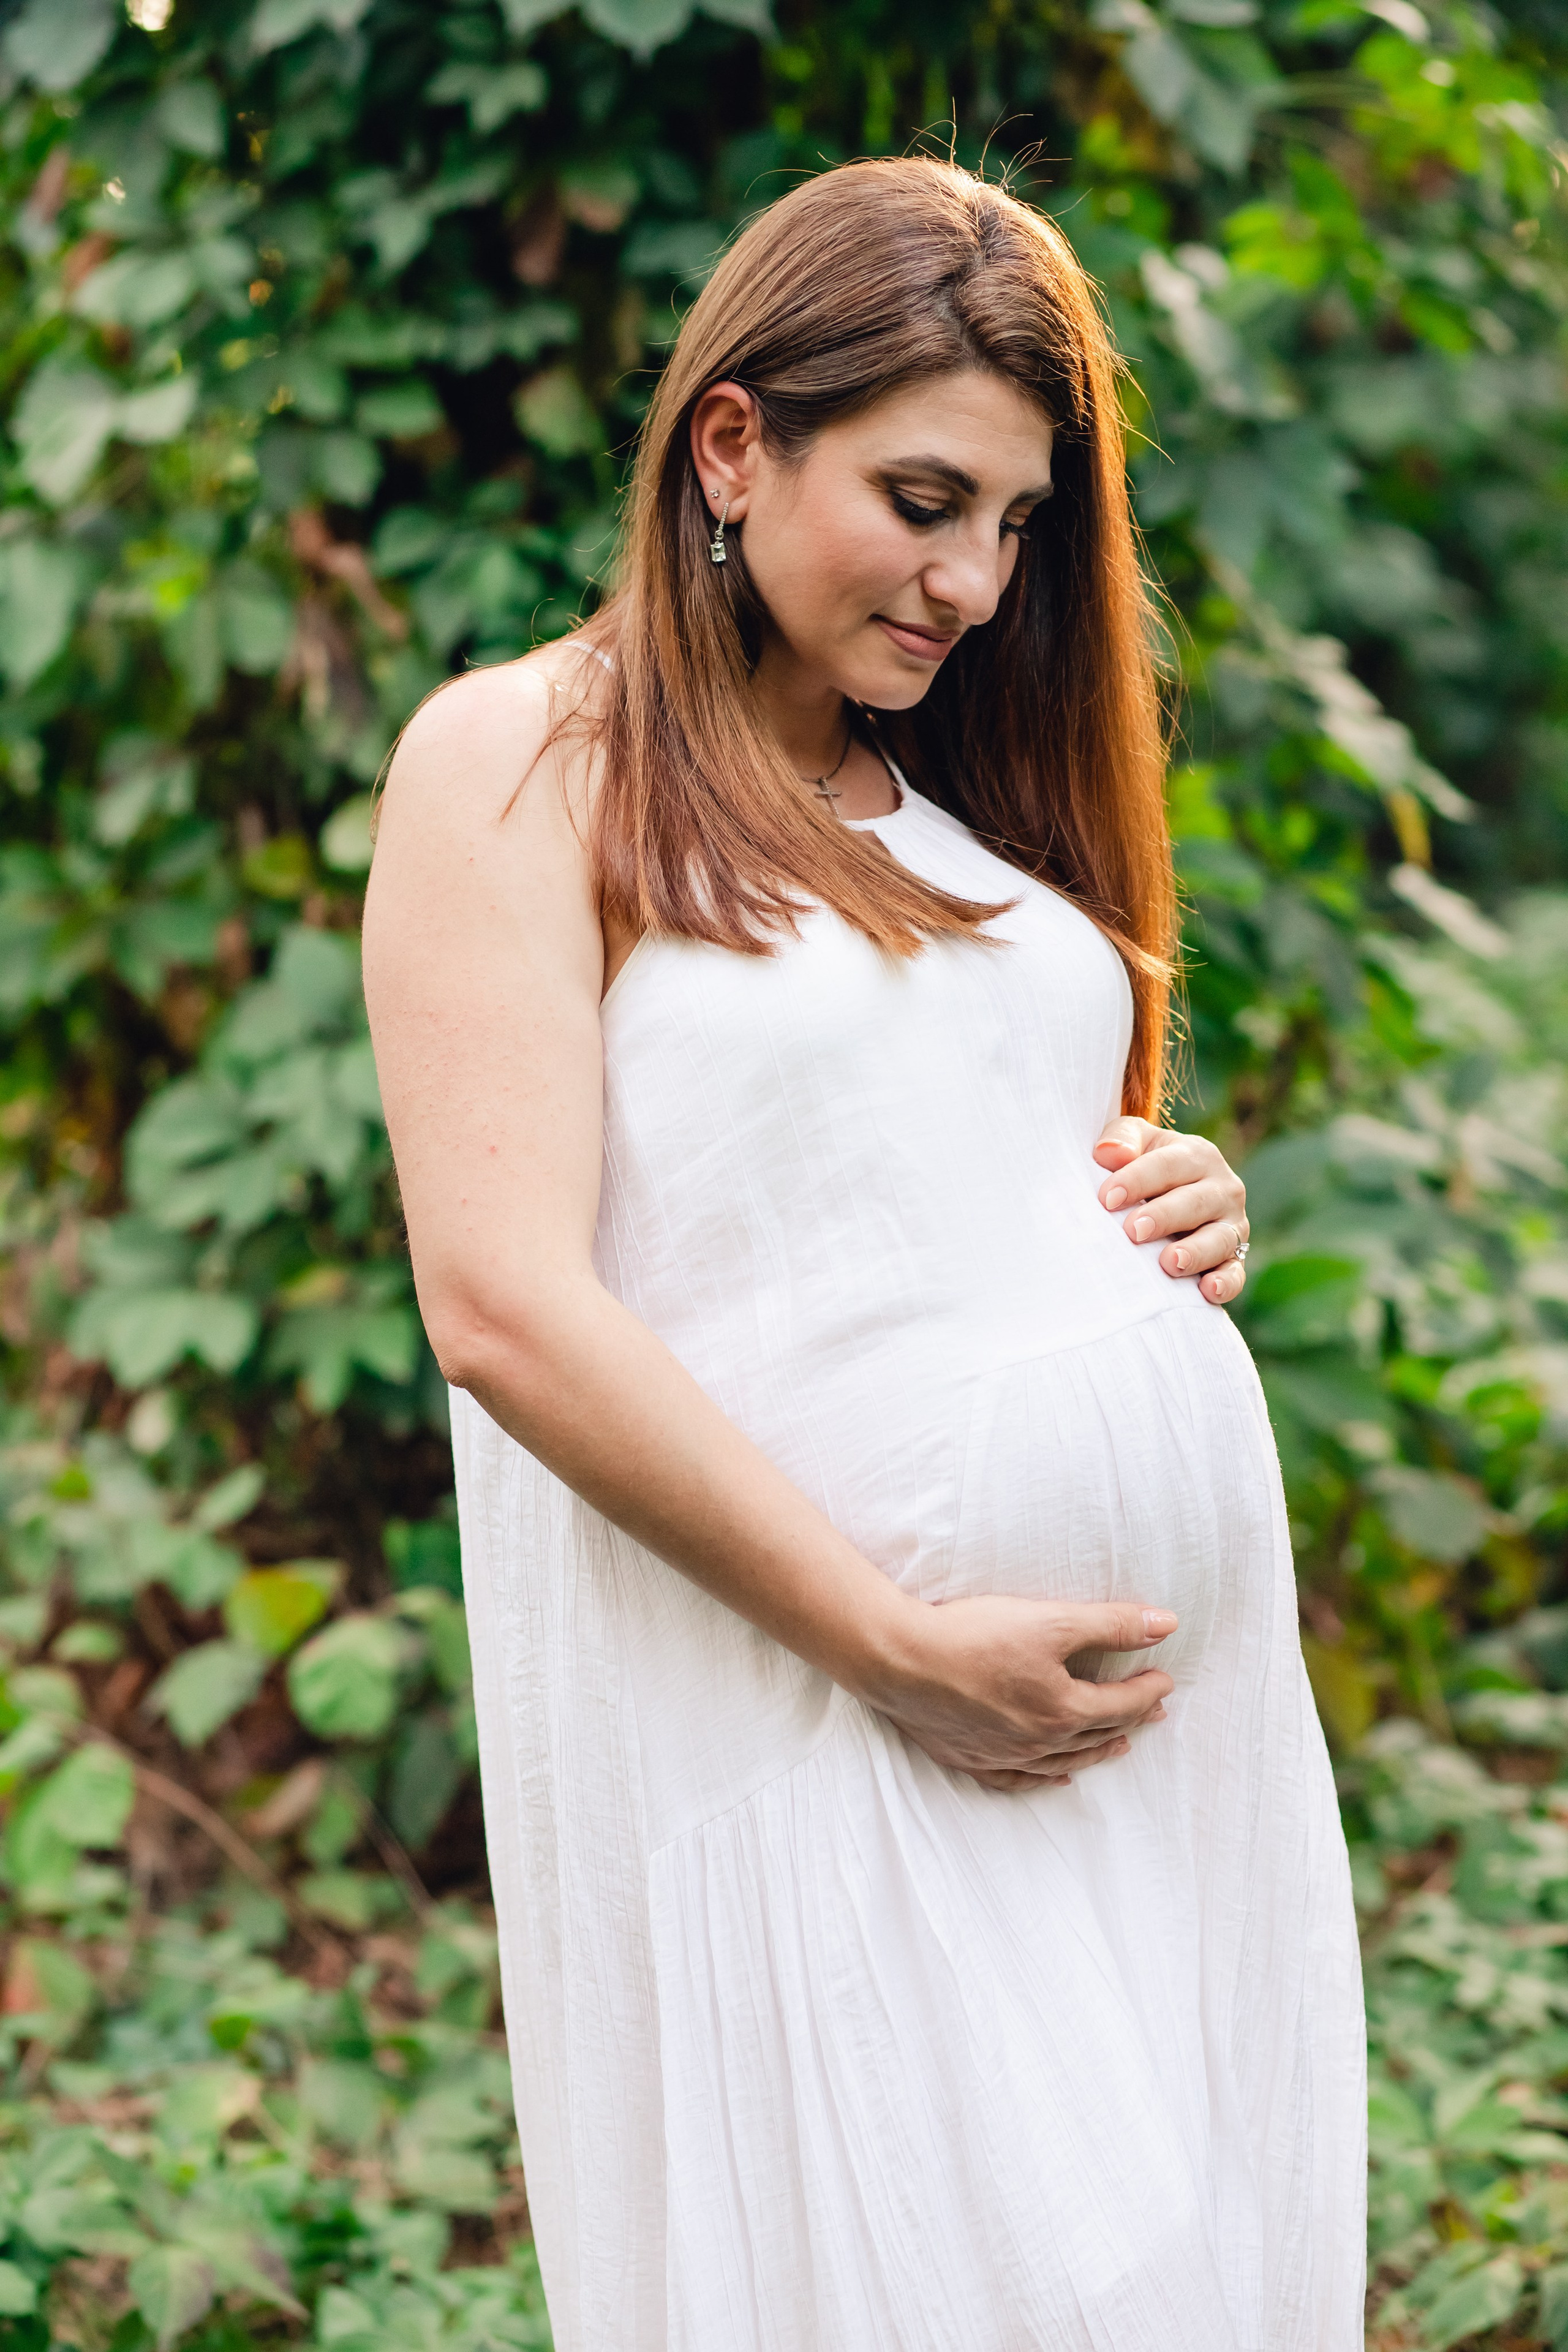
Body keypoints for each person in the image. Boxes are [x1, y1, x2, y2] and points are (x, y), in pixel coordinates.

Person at [363, 156, 1365, 2352]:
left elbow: (933, 1186)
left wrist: (1176, 1204)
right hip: (835, 1725)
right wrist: (893, 1645)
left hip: (1136, 1753)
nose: (976, 581)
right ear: (734, 442)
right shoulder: (527, 760)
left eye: (1014, 523)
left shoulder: (966, 818)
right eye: (923, 498)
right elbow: (505, 1303)